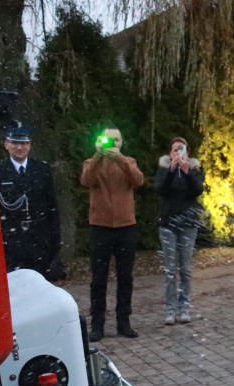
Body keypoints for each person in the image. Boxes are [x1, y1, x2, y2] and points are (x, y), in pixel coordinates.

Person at [80, 124, 145, 341]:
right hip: (100, 228)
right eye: (108, 140)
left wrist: (119, 158)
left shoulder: (129, 162)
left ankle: (123, 322)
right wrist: (99, 156)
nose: (112, 144)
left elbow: (138, 180)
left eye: (116, 140)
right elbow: (86, 180)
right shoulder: (92, 163)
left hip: (126, 227)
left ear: (121, 142)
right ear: (99, 141)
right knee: (98, 279)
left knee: (125, 277)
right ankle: (97, 324)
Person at [0, 124, 62, 279]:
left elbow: (52, 206)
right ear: (6, 144)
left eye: (23, 143)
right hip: (12, 240)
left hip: (39, 238)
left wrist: (55, 241)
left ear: (29, 145)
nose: (19, 147)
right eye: (15, 143)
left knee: (41, 285)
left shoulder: (42, 169)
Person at [154, 136, 204, 325]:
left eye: (181, 149)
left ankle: (184, 308)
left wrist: (187, 171)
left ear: (187, 152)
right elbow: (160, 189)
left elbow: (198, 190)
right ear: (170, 153)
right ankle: (170, 309)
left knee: (186, 269)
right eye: (175, 149)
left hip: (188, 225)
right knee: (169, 270)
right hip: (168, 225)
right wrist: (172, 170)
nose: (178, 153)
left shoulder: (195, 170)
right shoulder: (163, 170)